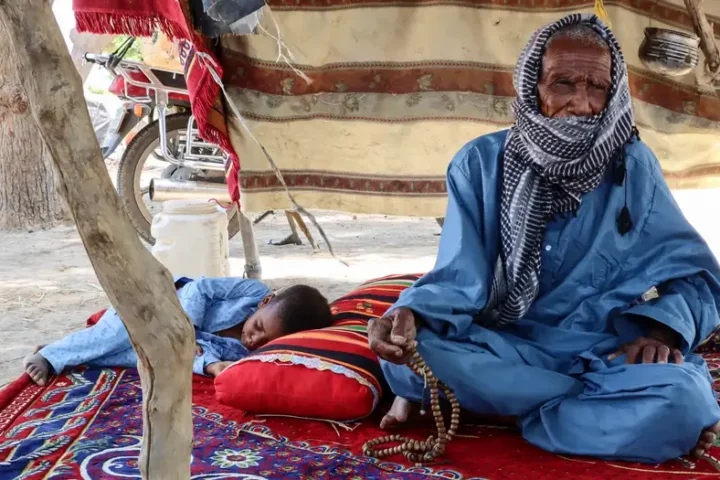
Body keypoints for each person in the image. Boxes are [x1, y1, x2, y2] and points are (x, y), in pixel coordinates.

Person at [368, 14, 720, 464]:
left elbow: (696, 276)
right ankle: (584, 409)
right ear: (531, 86)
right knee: (411, 358)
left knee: (685, 400)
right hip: (502, 345)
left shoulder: (634, 166)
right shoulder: (479, 163)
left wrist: (659, 329)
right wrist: (410, 313)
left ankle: (513, 409)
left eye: (597, 87)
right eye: (563, 84)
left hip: (599, 351)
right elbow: (458, 276)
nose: (581, 104)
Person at [24, 277, 332, 384]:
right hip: (154, 306)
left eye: (266, 341)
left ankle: (62, 351)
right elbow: (200, 288)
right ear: (265, 303)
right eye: (258, 327)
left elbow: (196, 354)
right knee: (116, 335)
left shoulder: (242, 351)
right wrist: (187, 329)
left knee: (135, 355)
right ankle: (51, 356)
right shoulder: (252, 291)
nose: (255, 339)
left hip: (168, 342)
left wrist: (210, 365)